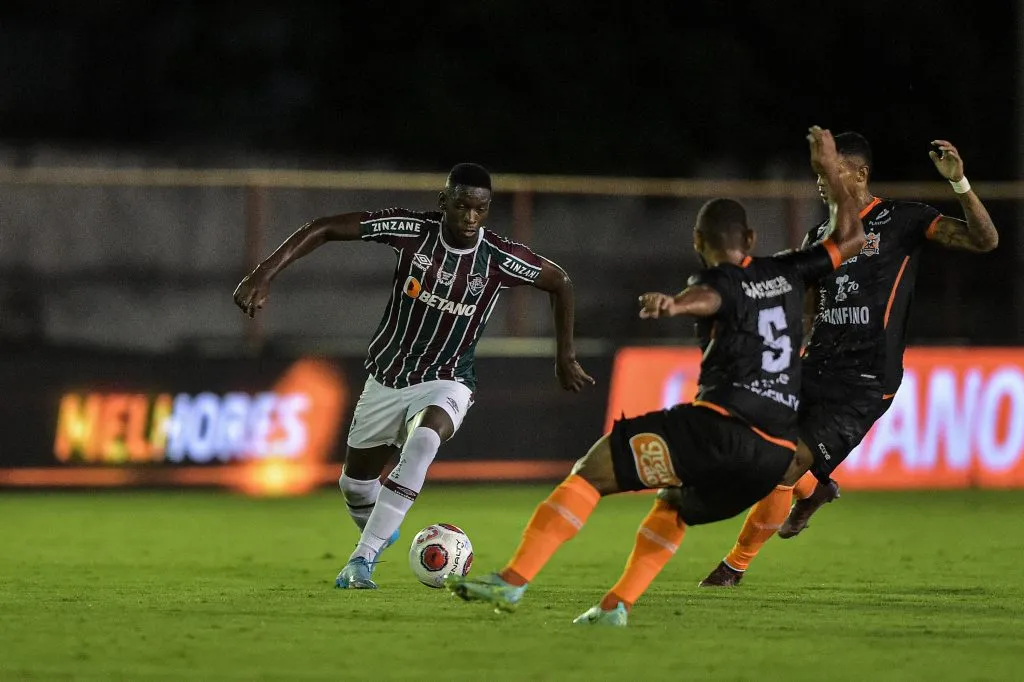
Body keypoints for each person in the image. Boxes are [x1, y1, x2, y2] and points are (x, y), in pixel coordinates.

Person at [445, 127, 865, 625]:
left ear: (697, 243)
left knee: (594, 468)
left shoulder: (716, 277)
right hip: (774, 458)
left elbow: (711, 296)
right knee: (675, 504)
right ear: (750, 240)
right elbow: (852, 237)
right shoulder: (793, 268)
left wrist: (675, 303)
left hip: (721, 429)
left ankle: (512, 583)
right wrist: (830, 173)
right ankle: (614, 607)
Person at [232, 162, 594, 589]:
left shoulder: (498, 258)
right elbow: (326, 227)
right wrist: (263, 272)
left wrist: (564, 356)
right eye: (461, 207)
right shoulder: (413, 231)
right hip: (387, 377)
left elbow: (561, 282)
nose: (470, 218)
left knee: (425, 439)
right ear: (444, 202)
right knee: (354, 487)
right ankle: (383, 530)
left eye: (480, 210)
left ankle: (361, 561)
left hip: (448, 378)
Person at [698, 135, 999, 588]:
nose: (821, 182)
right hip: (815, 365)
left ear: (859, 175)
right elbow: (809, 305)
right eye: (819, 174)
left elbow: (984, 240)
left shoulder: (903, 220)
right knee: (755, 448)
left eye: (829, 173)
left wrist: (958, 183)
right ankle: (816, 491)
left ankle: (734, 567)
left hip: (864, 379)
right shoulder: (820, 236)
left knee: (786, 464)